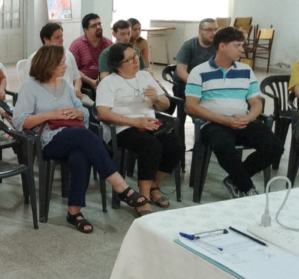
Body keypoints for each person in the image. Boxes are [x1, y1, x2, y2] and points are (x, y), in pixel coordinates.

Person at [13, 45, 148, 233]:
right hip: (46, 140)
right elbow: (20, 121)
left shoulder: (64, 85)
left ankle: (74, 212)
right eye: (61, 63)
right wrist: (51, 114)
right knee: (83, 137)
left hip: (73, 136)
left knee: (81, 154)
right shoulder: (31, 87)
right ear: (48, 64)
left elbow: (83, 111)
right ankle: (121, 187)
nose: (65, 67)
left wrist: (77, 112)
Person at [185, 27, 284, 198]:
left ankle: (234, 180)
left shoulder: (245, 70)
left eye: (241, 45)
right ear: (222, 46)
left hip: (242, 121)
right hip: (213, 123)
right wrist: (224, 121)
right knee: (224, 146)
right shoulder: (199, 72)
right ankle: (247, 187)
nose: (242, 50)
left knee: (275, 146)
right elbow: (191, 106)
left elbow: (255, 102)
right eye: (237, 45)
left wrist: (249, 117)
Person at [96, 43, 183, 216]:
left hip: (149, 123)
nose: (137, 60)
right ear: (118, 65)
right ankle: (143, 198)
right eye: (131, 59)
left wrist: (157, 99)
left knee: (176, 146)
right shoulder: (108, 83)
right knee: (151, 146)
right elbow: (103, 113)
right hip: (121, 127)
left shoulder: (144, 76)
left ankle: (153, 185)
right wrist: (135, 122)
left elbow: (166, 104)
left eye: (136, 55)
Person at [25, 22, 82, 98]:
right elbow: (29, 86)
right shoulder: (35, 59)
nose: (62, 40)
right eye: (57, 37)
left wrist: (77, 89)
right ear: (46, 39)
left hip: (71, 95)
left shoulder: (68, 54)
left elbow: (76, 77)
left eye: (62, 36)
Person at [173, 18, 218, 98]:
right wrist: (199, 86)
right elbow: (181, 72)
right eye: (209, 30)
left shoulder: (218, 46)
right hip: (186, 83)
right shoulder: (188, 46)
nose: (213, 33)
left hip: (207, 83)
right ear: (200, 31)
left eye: (215, 29)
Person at [69, 13, 113, 92]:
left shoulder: (109, 44)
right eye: (94, 26)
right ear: (85, 30)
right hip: (84, 83)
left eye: (99, 24)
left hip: (106, 81)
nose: (98, 27)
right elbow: (73, 69)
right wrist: (91, 82)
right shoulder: (77, 45)